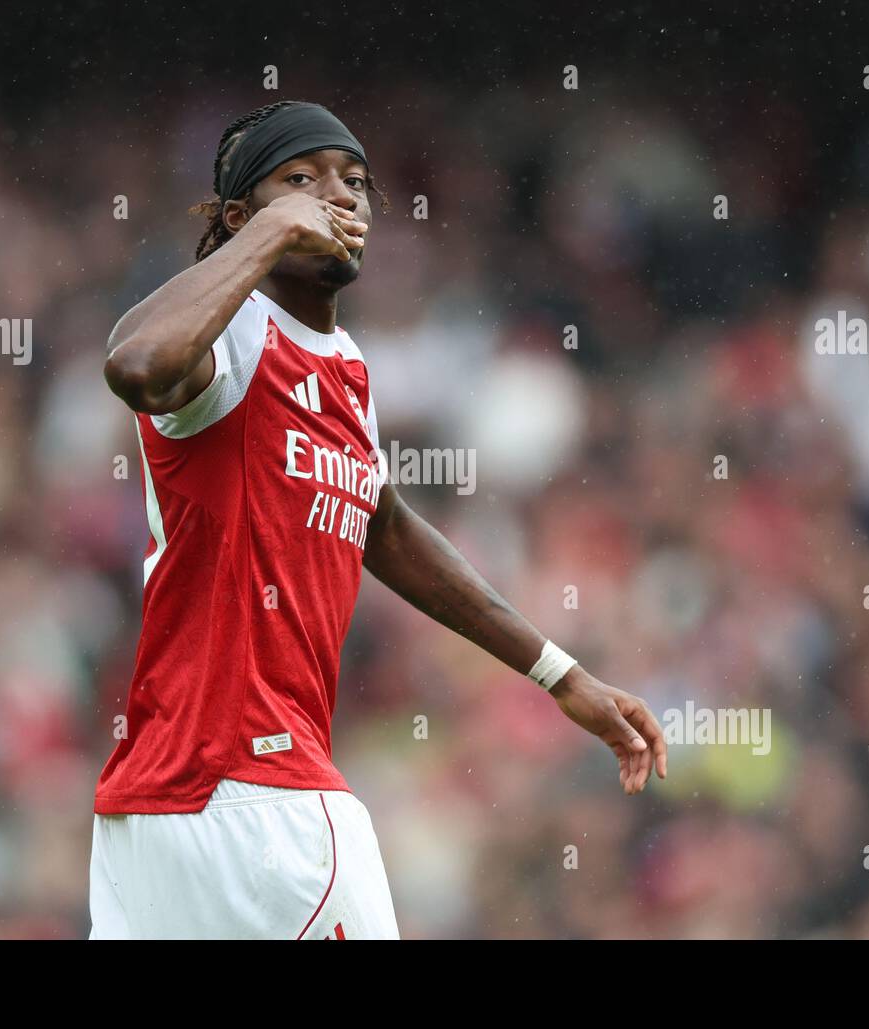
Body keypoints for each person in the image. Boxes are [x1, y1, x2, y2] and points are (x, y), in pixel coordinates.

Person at [90, 100, 667, 939]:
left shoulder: (346, 368)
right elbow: (136, 365)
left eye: (355, 181)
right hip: (254, 800)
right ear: (242, 217)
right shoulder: (234, 343)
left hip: (192, 801)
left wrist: (562, 675)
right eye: (302, 179)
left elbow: (384, 526)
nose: (339, 196)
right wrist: (273, 233)